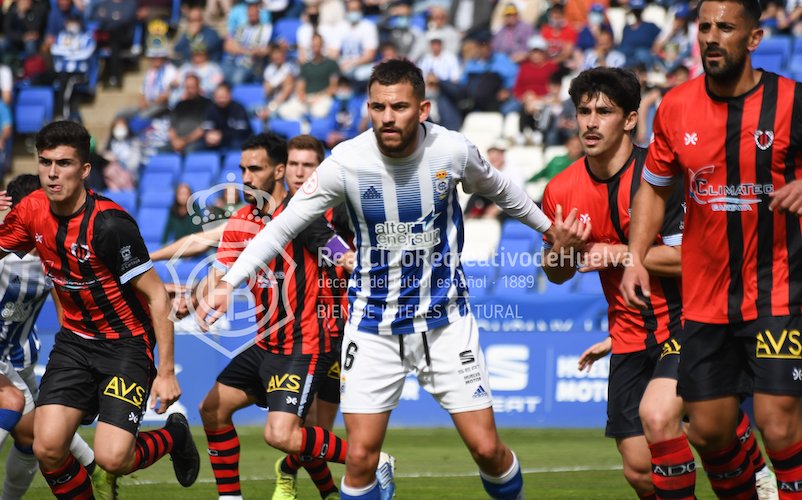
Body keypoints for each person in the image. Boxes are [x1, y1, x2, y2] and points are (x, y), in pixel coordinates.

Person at [196, 58, 556, 500]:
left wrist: (550, 230)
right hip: (372, 328)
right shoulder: (347, 161)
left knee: (486, 449)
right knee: (362, 458)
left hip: (444, 324)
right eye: (378, 107)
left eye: (399, 107)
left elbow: (503, 190)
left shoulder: (453, 150)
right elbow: (284, 225)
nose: (387, 117)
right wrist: (229, 281)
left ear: (423, 109)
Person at [543, 67, 777, 500]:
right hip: (630, 335)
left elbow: (696, 261)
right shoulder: (560, 188)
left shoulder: (662, 178)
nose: (591, 122)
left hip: (689, 322)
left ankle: (744, 452)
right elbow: (557, 272)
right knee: (639, 470)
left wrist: (616, 252)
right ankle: (735, 438)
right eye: (583, 111)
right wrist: (559, 250)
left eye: (604, 112)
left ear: (631, 119)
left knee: (661, 418)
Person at [621, 0, 802, 497]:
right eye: (704, 27)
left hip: (777, 291)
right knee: (710, 431)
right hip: (705, 301)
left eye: (725, 27)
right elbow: (654, 189)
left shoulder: (791, 102)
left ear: (754, 38)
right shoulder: (676, 106)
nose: (711, 37)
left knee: (778, 423)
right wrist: (636, 256)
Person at [0, 121, 200, 498]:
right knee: (48, 448)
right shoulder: (31, 209)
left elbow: (157, 297)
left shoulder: (110, 225)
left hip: (125, 345)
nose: (53, 173)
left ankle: (173, 435)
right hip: (74, 344)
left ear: (85, 169)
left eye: (64, 163)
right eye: (45, 163)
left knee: (113, 459)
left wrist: (167, 372)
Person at [196, 133, 350, 500]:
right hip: (266, 342)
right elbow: (220, 274)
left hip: (305, 341)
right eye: (243, 169)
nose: (246, 177)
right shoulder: (240, 221)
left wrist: (351, 260)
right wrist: (197, 299)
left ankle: (372, 461)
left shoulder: (301, 213)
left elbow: (335, 248)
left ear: (278, 171)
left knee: (284, 435)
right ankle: (230, 498)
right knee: (212, 409)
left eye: (256, 169)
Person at [0, 174, 120, 500]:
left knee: (31, 435)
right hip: (3, 364)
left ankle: (95, 469)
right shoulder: (6, 252)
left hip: (20, 357)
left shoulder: (51, 250)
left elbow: (65, 303)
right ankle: (96, 467)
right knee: (22, 413)